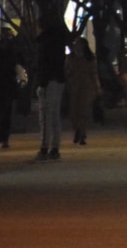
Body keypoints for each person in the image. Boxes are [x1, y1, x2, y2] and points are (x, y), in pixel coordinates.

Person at [34, 13, 72, 160]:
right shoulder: (59, 41)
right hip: (58, 80)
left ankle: (44, 147)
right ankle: (55, 147)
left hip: (48, 81)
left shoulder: (45, 43)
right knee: (55, 114)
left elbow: (44, 64)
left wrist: (41, 82)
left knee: (45, 115)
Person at [0, 29, 22, 148]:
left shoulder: (13, 50)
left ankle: (4, 137)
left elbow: (18, 64)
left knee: (5, 112)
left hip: (7, 85)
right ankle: (0, 133)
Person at [65, 37, 101, 145]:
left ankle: (82, 133)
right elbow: (67, 71)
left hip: (86, 87)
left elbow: (94, 74)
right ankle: (77, 129)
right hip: (73, 87)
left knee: (84, 111)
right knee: (74, 111)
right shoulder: (70, 58)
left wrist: (97, 87)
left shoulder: (90, 58)